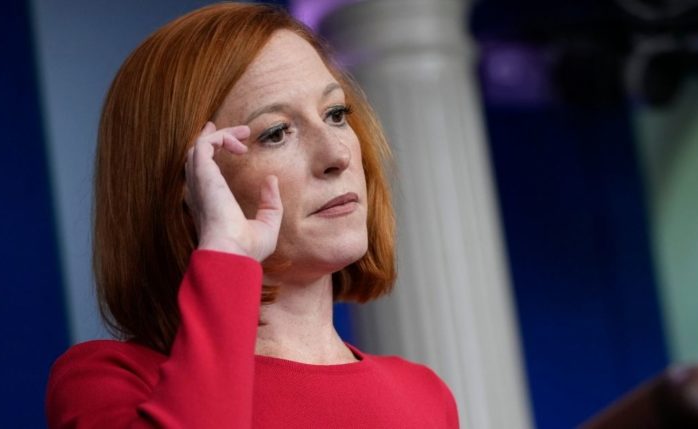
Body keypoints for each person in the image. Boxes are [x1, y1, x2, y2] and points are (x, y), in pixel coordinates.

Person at [45, 3, 459, 428]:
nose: (337, 155)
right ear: (192, 183)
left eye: (336, 114)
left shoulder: (425, 394)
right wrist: (227, 252)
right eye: (276, 133)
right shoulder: (109, 381)